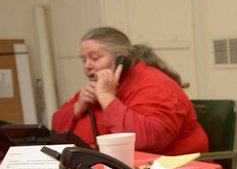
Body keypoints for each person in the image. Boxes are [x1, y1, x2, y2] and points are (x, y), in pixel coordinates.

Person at [52, 27, 209, 156]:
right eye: (84, 60)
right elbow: (55, 129)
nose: (87, 66)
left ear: (123, 58)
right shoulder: (99, 85)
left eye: (95, 57)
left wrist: (106, 97)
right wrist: (78, 107)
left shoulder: (155, 84)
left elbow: (149, 139)